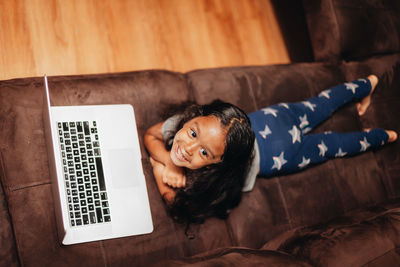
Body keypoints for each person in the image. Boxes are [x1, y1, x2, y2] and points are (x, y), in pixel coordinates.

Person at [144, 75, 398, 224]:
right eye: (192, 133)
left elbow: (179, 206)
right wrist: (167, 159)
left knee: (332, 146)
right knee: (321, 103)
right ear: (195, 116)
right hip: (274, 118)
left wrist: (163, 166)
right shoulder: (192, 123)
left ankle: (382, 136)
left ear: (218, 163)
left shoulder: (217, 181)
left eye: (204, 153)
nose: (187, 148)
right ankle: (368, 83)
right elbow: (152, 134)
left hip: (279, 156)